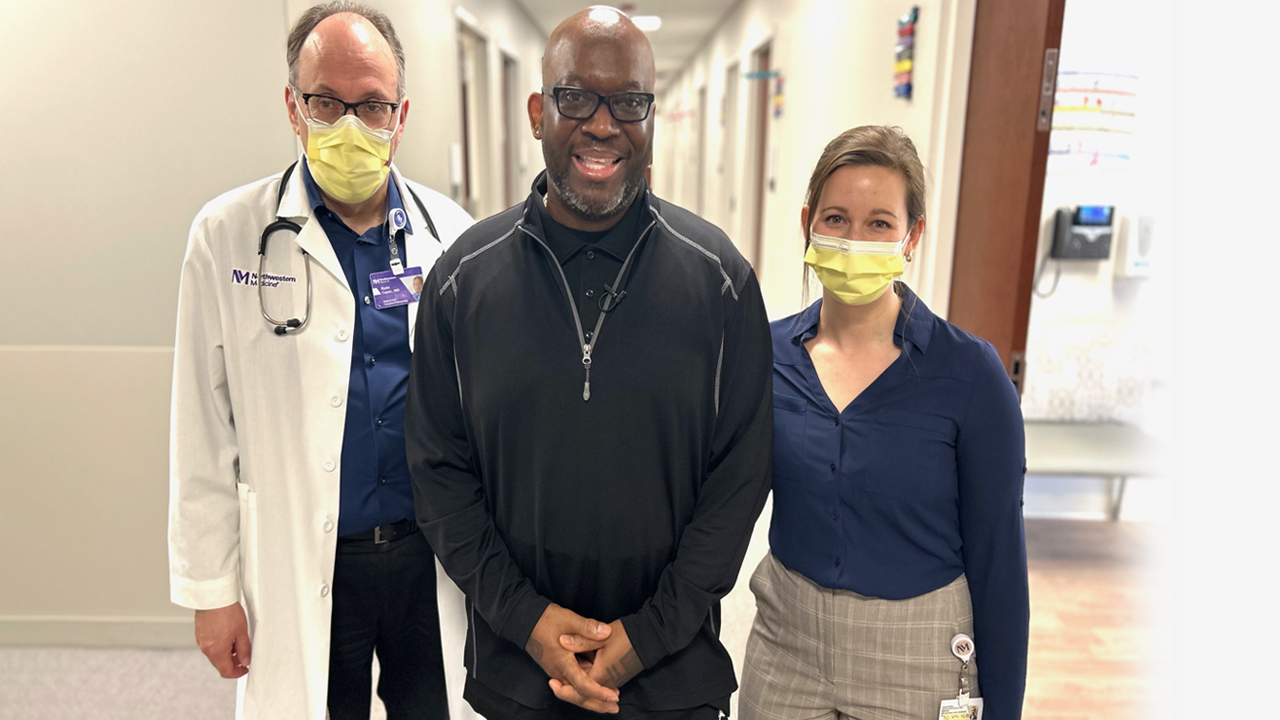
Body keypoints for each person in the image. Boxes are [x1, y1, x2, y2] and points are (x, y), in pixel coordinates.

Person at [405, 7, 773, 720]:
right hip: (519, 673)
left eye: (629, 102)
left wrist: (649, 634)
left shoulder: (720, 283)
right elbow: (438, 473)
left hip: (674, 677)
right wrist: (526, 619)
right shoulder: (462, 282)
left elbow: (740, 480)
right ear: (539, 110)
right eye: (576, 98)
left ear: (652, 115)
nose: (603, 125)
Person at [167, 3, 476, 718]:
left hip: (426, 557)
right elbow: (203, 428)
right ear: (292, 106)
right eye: (326, 102)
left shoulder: (453, 237)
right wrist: (212, 593)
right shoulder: (227, 236)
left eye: (370, 105)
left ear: (400, 116)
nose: (347, 126)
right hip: (305, 557)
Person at [739, 126, 1029, 720]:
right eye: (837, 218)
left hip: (917, 653)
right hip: (787, 643)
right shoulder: (764, 357)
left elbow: (999, 560)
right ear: (808, 225)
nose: (853, 241)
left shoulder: (969, 374)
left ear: (912, 235)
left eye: (879, 223)